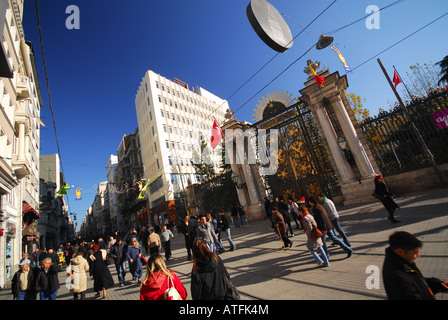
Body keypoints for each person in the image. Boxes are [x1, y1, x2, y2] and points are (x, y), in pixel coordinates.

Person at [382, 231, 448, 299]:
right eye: (415, 253)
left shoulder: (403, 261)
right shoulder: (397, 278)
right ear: (400, 251)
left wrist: (437, 285)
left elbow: (416, 281)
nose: (418, 255)